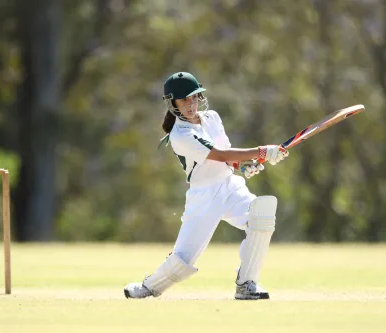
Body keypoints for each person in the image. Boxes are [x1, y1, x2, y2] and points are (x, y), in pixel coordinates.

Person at [124, 72, 289, 300]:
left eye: (193, 97)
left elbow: (227, 155)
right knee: (183, 261)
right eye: (183, 100)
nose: (190, 104)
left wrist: (242, 167)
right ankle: (149, 286)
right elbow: (219, 154)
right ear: (172, 104)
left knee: (262, 217)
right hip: (204, 197)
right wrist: (262, 152)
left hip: (230, 186)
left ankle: (246, 284)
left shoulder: (212, 117)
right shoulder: (180, 135)